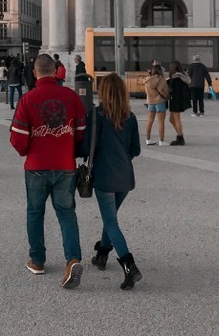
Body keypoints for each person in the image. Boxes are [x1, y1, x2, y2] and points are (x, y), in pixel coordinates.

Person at [10, 53, 86, 288]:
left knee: (35, 213)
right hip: (65, 165)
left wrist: (26, 152)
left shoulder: (28, 99)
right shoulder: (71, 97)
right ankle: (72, 258)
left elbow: (19, 136)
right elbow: (81, 130)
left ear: (35, 73)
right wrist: (69, 147)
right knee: (66, 213)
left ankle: (38, 261)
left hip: (36, 166)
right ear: (56, 71)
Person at [79, 73, 142, 290]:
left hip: (104, 176)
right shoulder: (130, 117)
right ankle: (102, 255)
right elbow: (136, 150)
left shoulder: (95, 115)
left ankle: (129, 266)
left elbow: (86, 147)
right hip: (125, 177)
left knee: (111, 221)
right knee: (110, 218)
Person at [143, 65, 169, 145]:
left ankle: (148, 140)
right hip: (160, 102)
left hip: (150, 102)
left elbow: (146, 92)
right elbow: (166, 91)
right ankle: (161, 141)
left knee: (150, 121)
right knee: (161, 121)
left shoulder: (147, 80)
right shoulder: (162, 80)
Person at [167, 62, 191, 146]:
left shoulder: (176, 79)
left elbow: (174, 90)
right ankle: (179, 135)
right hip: (178, 100)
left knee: (176, 119)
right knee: (171, 119)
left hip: (175, 100)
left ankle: (180, 138)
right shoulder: (181, 76)